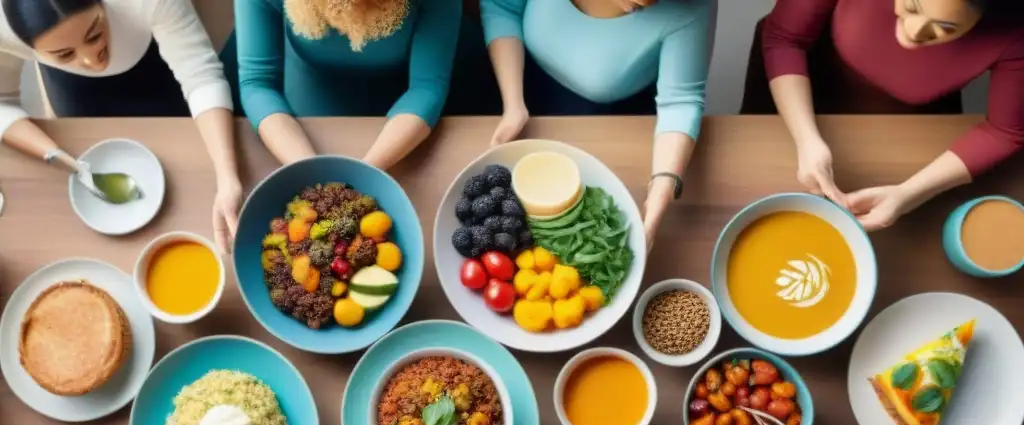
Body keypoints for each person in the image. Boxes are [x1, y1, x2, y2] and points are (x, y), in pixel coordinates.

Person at [749, 0, 1024, 231]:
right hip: (800, 79)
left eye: (946, 27)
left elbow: (1006, 132)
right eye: (912, 6)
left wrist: (906, 194)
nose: (914, 33)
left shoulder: (1015, 31)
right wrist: (806, 139)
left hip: (906, 111)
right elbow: (784, 39)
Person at [0, 0, 244, 254]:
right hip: (75, 91)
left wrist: (227, 178)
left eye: (94, 35)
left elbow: (200, 75)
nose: (91, 61)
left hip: (154, 65)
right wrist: (55, 153)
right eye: (64, 54)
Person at [479, 0, 716, 251]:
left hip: (614, 124)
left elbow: (680, 102)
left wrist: (661, 189)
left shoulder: (693, 6)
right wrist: (513, 104)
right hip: (516, 77)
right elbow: (501, 7)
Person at [234, 0, 461, 171]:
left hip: (408, 91)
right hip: (311, 88)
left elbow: (426, 86)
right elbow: (258, 82)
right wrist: (309, 170)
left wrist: (366, 171)